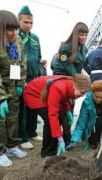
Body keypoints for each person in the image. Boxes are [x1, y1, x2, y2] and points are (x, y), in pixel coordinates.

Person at [23, 74, 90, 157]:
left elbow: (63, 97)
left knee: (60, 116)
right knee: (50, 120)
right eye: (82, 92)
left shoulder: (69, 84)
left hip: (44, 94)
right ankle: (47, 152)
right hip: (33, 94)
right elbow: (53, 115)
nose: (82, 95)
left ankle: (54, 145)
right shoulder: (59, 87)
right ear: (74, 86)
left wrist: (68, 110)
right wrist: (60, 138)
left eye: (85, 93)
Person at [0, 10, 28, 167]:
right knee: (0, 120)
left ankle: (11, 146)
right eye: (10, 29)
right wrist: (1, 97)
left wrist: (20, 84)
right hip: (1, 86)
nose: (14, 33)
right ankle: (0, 152)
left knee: (13, 117)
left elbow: (22, 62)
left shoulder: (18, 41)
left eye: (16, 29)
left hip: (13, 85)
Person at [66, 80, 102, 152]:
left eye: (101, 97)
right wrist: (75, 141)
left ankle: (101, 139)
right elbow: (81, 123)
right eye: (96, 96)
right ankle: (92, 139)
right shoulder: (87, 102)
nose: (98, 99)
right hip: (92, 125)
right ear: (92, 93)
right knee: (101, 120)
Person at [18, 5, 42, 149]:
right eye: (26, 22)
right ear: (19, 21)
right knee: (22, 108)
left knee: (34, 105)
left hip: (34, 77)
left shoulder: (35, 38)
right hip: (22, 76)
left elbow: (38, 58)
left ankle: (32, 132)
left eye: (31, 22)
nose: (28, 25)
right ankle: (22, 137)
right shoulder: (16, 36)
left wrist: (39, 75)